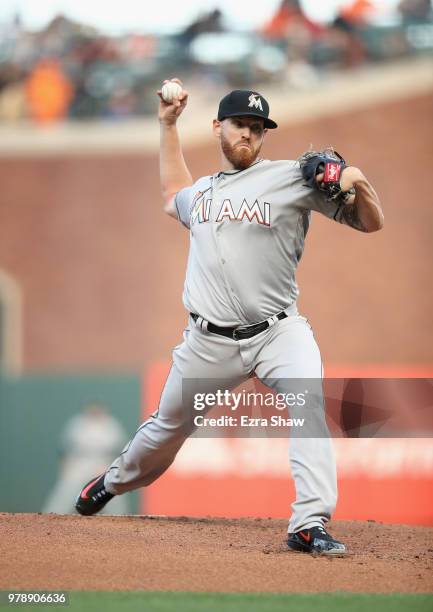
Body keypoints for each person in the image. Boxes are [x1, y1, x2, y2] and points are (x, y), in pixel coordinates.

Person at [75, 80, 384, 556]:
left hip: (279, 331)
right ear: (218, 126)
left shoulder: (290, 179)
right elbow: (172, 191)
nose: (249, 134)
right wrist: (168, 125)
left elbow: (370, 222)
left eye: (258, 128)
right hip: (208, 342)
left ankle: (309, 523)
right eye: (240, 124)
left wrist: (356, 178)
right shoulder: (199, 195)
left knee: (308, 403)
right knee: (166, 428)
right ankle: (112, 482)